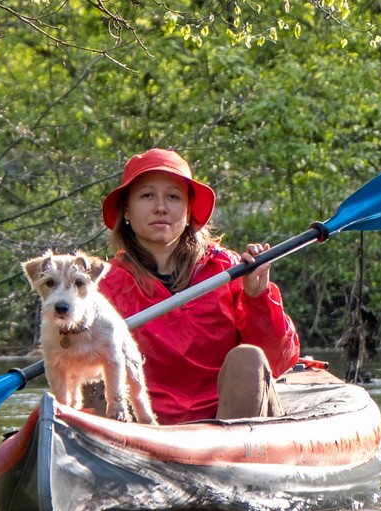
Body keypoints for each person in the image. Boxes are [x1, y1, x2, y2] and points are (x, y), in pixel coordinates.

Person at [97, 147, 300, 422]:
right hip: (144, 428)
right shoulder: (104, 285)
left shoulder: (228, 269)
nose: (160, 207)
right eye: (147, 196)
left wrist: (257, 296)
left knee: (248, 357)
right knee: (94, 365)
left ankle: (229, 456)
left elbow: (279, 360)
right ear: (127, 211)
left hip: (228, 423)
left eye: (173, 197)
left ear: (189, 210)